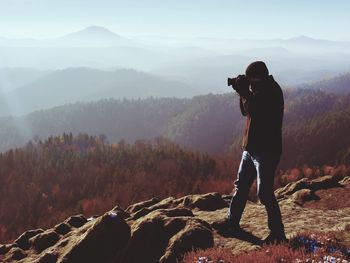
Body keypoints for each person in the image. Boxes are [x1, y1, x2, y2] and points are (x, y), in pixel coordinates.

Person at [225, 61, 287, 244]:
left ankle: (278, 234)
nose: (249, 85)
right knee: (241, 186)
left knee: (265, 193)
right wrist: (241, 93)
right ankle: (231, 223)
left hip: (266, 151)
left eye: (250, 80)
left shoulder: (273, 92)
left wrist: (245, 92)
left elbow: (257, 111)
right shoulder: (258, 91)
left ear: (257, 79)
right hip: (250, 149)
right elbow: (246, 112)